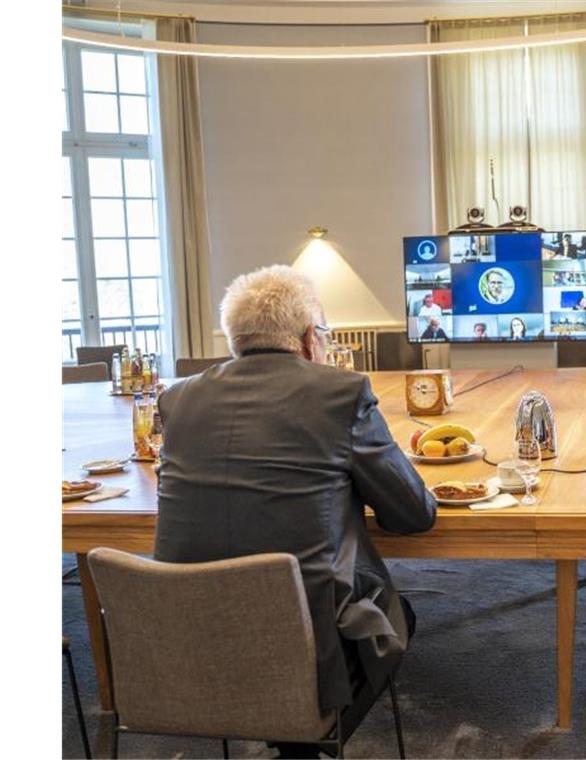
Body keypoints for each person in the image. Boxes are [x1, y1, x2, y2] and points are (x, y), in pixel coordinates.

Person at [154, 265, 437, 757]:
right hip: (304, 650)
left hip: (185, 643)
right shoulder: (342, 393)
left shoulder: (176, 398)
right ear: (310, 338)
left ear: (234, 340)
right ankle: (299, 738)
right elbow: (412, 514)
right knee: (400, 616)